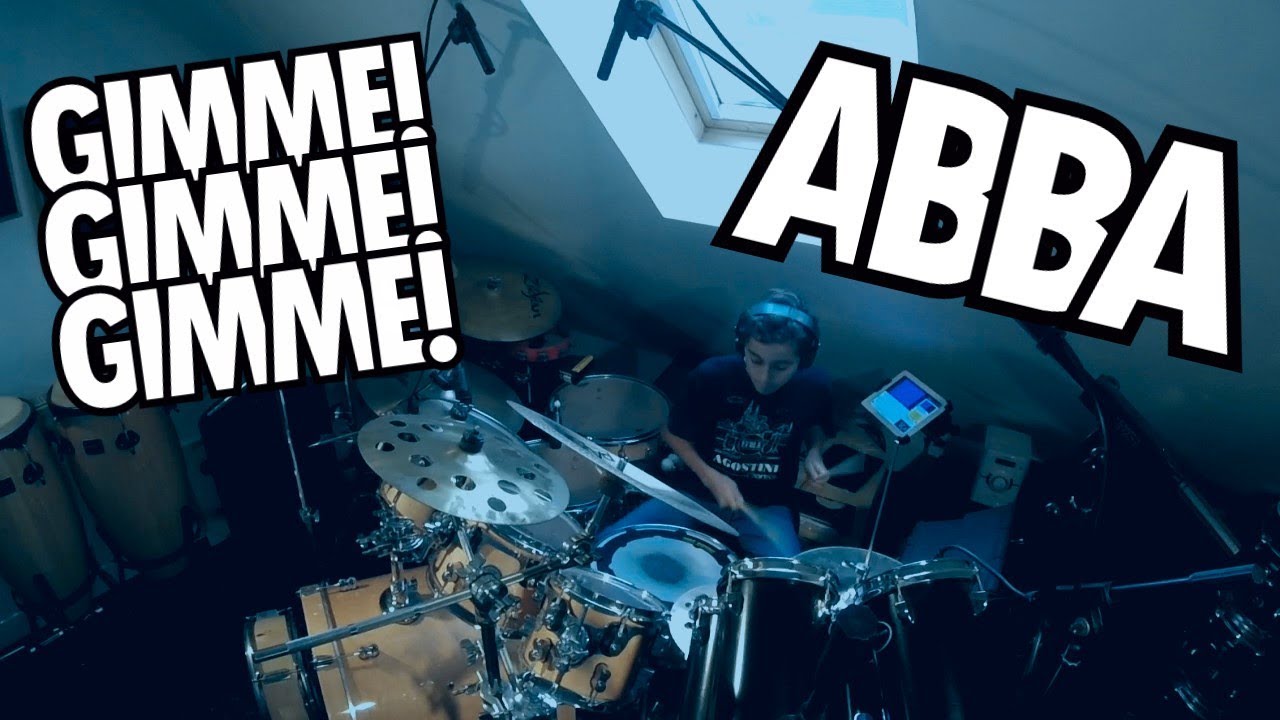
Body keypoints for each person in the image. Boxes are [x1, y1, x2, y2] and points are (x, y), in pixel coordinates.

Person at [597, 290, 834, 557]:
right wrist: (712, 477)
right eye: (755, 360)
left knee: (789, 577)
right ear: (742, 347)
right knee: (608, 547)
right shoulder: (712, 376)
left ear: (804, 360)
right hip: (696, 491)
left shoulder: (815, 386)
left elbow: (815, 424)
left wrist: (815, 451)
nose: (764, 376)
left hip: (768, 504)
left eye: (781, 367)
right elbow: (673, 433)